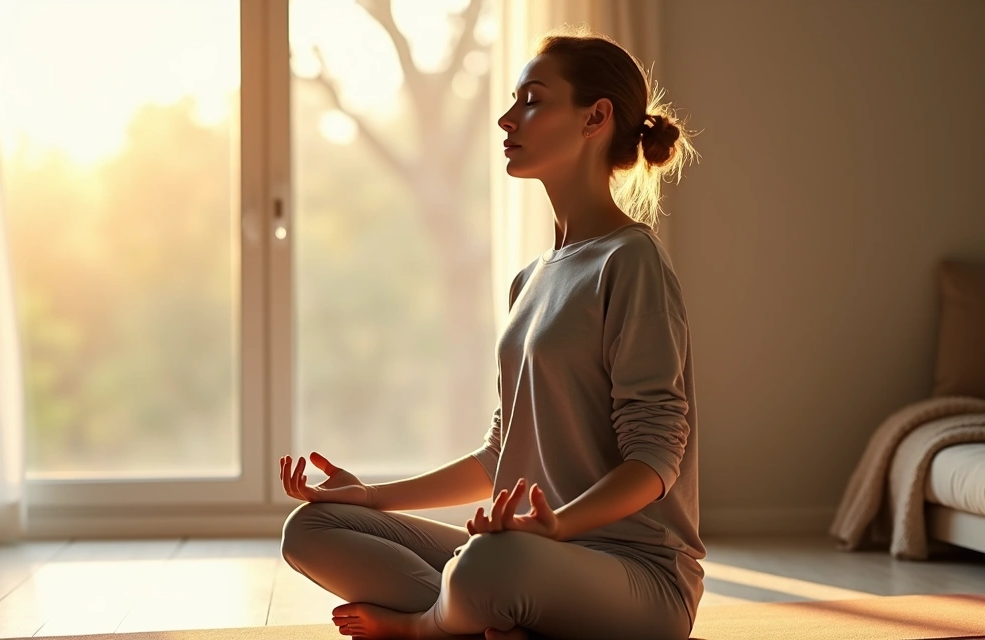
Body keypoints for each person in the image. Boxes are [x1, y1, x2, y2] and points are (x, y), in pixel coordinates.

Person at [278, 24, 702, 640]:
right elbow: (500, 453)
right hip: (533, 559)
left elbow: (657, 457)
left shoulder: (630, 261)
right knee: (312, 529)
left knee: (489, 564)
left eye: (532, 99)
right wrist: (372, 498)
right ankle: (486, 619)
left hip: (637, 577)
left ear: (596, 118)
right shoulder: (530, 279)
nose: (507, 119)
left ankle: (427, 628)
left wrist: (556, 525)